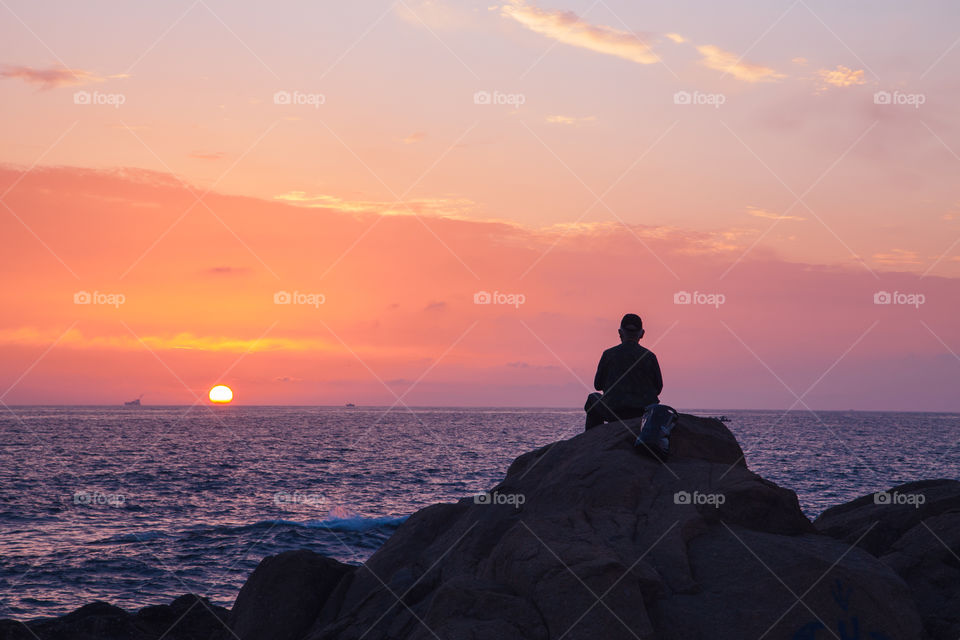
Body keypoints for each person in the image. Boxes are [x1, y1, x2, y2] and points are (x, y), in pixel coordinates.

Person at [585, 313, 663, 430]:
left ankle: (593, 438)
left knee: (593, 398)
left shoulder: (608, 354)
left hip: (615, 413)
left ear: (620, 333)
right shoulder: (650, 357)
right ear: (642, 334)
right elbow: (658, 388)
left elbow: (598, 385)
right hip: (643, 414)